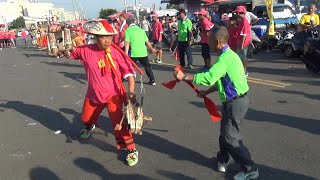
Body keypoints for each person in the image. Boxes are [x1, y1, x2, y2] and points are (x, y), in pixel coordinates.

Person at [173, 26, 259, 180]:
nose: (207, 41)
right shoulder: (228, 55)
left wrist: (185, 77)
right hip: (234, 101)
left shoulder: (225, 59)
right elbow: (222, 81)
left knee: (230, 137)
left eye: (209, 39)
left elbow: (210, 76)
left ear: (218, 41)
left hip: (235, 103)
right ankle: (223, 159)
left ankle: (250, 168)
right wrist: (206, 92)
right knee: (225, 133)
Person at [65, 19, 139, 166]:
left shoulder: (117, 53)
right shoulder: (86, 50)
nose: (108, 40)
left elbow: (130, 75)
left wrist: (131, 93)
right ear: (95, 37)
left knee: (120, 124)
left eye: (110, 36)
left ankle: (131, 149)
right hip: (93, 94)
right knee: (86, 118)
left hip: (115, 95)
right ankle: (90, 125)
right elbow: (69, 53)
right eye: (104, 37)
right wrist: (63, 45)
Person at [125, 16, 158, 86]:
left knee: (129, 67)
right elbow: (147, 42)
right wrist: (152, 49)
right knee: (147, 66)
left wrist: (125, 54)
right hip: (143, 52)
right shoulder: (141, 30)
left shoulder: (127, 31)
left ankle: (130, 79)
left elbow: (127, 43)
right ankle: (152, 80)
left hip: (133, 53)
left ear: (127, 23)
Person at [234, 6, 251, 75]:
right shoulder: (242, 20)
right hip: (241, 41)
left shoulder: (244, 21)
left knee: (243, 57)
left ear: (239, 13)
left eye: (236, 13)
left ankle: (244, 71)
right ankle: (241, 70)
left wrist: (241, 44)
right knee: (240, 57)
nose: (235, 14)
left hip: (243, 42)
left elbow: (244, 34)